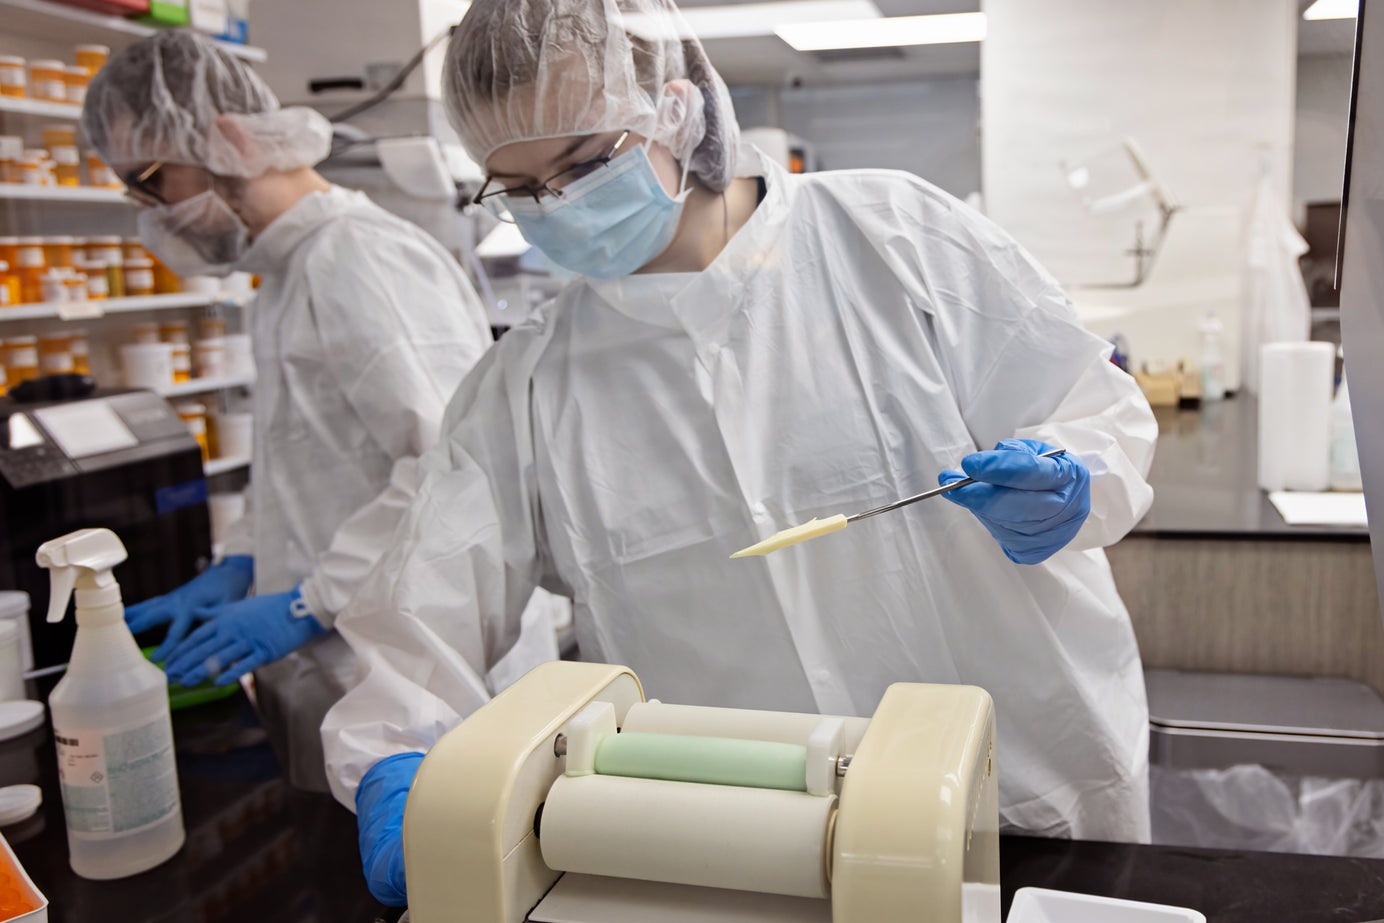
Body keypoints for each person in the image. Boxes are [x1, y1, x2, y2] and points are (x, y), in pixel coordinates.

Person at [323, 0, 1158, 905]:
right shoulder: (527, 385)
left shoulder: (895, 236)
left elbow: (1092, 406)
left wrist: (1076, 478)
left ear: (676, 109)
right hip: (746, 847)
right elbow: (422, 609)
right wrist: (396, 757)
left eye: (581, 164)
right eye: (520, 190)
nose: (558, 207)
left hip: (1023, 811)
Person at [81, 30, 562, 792]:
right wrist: (241, 559)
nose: (148, 212)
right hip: (344, 675)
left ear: (227, 138)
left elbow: (452, 465)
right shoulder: (285, 273)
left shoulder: (359, 258)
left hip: (423, 681)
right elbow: (296, 459)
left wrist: (309, 601)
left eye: (150, 180)